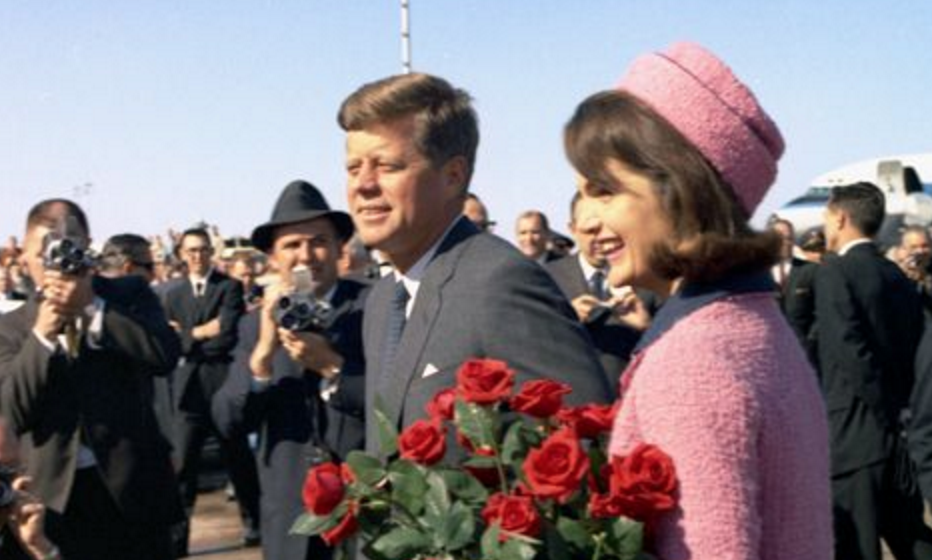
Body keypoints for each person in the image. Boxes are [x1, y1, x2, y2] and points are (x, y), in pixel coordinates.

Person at [565, 42, 832, 559]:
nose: (586, 220)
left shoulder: (693, 358)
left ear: (677, 189)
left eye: (604, 191)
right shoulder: (750, 323)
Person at [339, 72, 611, 455]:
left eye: (387, 166)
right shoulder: (384, 300)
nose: (363, 185)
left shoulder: (500, 283)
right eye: (353, 168)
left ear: (452, 177)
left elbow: (584, 441)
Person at [0, 199, 183, 560]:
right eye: (45, 253)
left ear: (89, 248)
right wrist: (43, 334)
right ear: (25, 257)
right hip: (53, 501)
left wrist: (93, 307)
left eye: (71, 249)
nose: (57, 263)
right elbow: (10, 413)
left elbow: (164, 355)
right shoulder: (11, 328)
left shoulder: (129, 293)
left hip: (134, 492)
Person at [213, 180, 367, 560]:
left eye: (318, 241)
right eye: (291, 245)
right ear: (272, 258)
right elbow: (228, 421)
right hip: (291, 512)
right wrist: (263, 356)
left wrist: (333, 366)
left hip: (365, 503)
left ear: (338, 249)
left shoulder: (372, 308)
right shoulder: (255, 326)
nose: (306, 255)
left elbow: (394, 399)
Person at [815, 182, 932, 560]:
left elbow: (849, 350)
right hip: (898, 433)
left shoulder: (836, 272)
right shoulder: (897, 277)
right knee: (910, 536)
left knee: (857, 545)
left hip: (854, 436)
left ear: (841, 218)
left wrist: (882, 409)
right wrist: (898, 414)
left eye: (827, 218)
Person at [162, 228, 261, 554]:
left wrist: (188, 336)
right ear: (181, 254)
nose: (197, 256)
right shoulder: (171, 295)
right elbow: (169, 340)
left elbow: (227, 333)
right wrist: (203, 331)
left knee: (238, 459)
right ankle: (178, 540)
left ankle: (253, 523)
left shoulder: (228, 286)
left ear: (211, 251)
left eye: (203, 249)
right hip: (187, 390)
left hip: (222, 384)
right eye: (191, 250)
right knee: (183, 467)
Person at [546, 192, 651, 393]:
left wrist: (646, 327)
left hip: (632, 398)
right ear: (573, 229)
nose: (602, 237)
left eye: (608, 226)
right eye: (591, 230)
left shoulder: (644, 275)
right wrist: (566, 320)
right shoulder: (547, 277)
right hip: (572, 401)